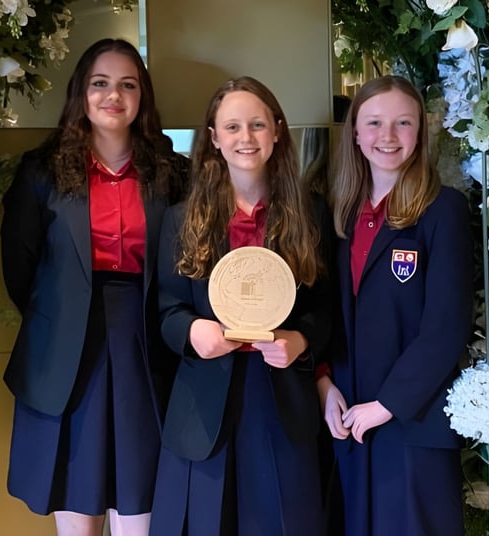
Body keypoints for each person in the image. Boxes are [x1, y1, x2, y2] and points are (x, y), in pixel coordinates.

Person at [0, 38, 188, 536]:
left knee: (143, 514)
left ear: (142, 96)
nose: (113, 96)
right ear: (80, 93)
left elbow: (187, 267)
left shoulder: (173, 173)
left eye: (128, 85)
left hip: (147, 349)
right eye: (100, 84)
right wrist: (61, 315)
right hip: (65, 354)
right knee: (76, 511)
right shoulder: (41, 173)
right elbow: (20, 269)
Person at [149, 76, 334, 536]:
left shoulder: (312, 215)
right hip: (205, 403)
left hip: (281, 400)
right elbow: (166, 311)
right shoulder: (181, 218)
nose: (245, 138)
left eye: (256, 124)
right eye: (232, 127)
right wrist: (194, 332)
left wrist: (301, 339)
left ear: (276, 130)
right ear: (213, 138)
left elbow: (328, 309)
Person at [317, 75, 473, 535]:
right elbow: (322, 312)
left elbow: (446, 328)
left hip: (412, 423)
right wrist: (323, 383)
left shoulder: (443, 210)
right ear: (356, 134)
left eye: (403, 123)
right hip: (345, 420)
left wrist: (386, 404)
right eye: (375, 123)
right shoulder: (338, 214)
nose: (387, 136)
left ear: (420, 133)